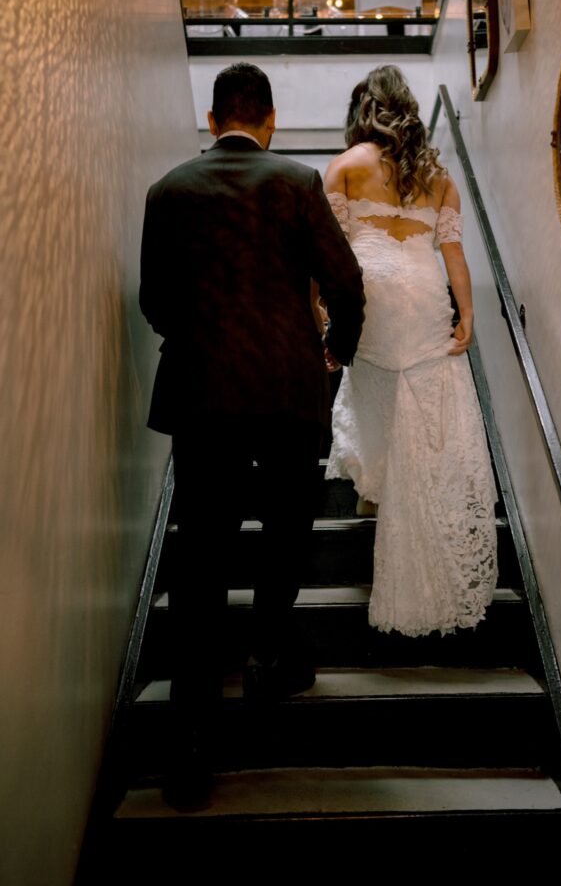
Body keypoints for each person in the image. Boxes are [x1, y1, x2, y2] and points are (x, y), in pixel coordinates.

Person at [139, 62, 365, 805]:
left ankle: (187, 750)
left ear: (213, 120)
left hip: (203, 399)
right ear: (266, 119)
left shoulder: (167, 191)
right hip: (288, 394)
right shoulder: (298, 184)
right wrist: (338, 349)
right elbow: (345, 282)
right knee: (286, 530)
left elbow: (155, 300)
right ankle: (270, 648)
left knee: (200, 567)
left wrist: (203, 342)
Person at [321, 64, 497, 638]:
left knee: (374, 392)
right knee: (421, 399)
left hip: (371, 301)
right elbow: (454, 255)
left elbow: (327, 254)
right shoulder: (438, 175)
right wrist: (467, 314)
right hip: (424, 298)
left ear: (363, 109)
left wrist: (321, 314)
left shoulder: (345, 167)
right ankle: (407, 492)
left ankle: (378, 490)